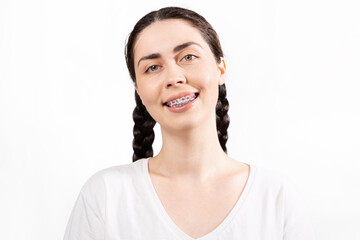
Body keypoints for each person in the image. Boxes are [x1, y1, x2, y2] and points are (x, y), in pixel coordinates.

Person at [63, 6, 315, 240]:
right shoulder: (105, 196)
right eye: (152, 67)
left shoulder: (276, 198)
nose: (173, 77)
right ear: (138, 90)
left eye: (188, 56)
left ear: (220, 68)